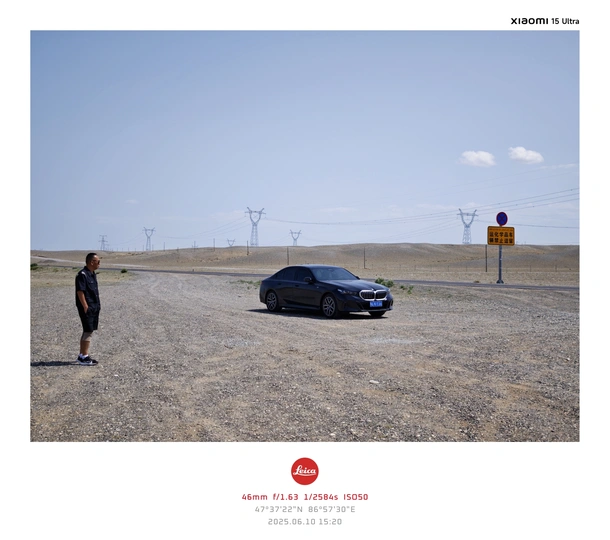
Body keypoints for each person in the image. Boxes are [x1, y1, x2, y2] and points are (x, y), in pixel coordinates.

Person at [75, 252, 101, 365]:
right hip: (88, 307)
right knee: (88, 331)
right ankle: (84, 357)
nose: (99, 264)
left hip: (94, 306)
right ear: (91, 262)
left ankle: (82, 355)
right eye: (98, 261)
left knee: (88, 330)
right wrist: (85, 306)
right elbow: (80, 291)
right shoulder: (82, 275)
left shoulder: (91, 274)